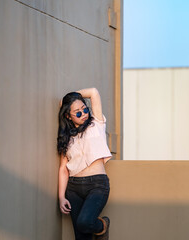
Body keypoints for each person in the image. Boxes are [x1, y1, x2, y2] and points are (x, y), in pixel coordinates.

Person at [57, 88, 112, 240]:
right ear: (68, 116)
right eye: (78, 113)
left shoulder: (96, 124)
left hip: (97, 184)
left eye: (85, 109)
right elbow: (63, 169)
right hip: (73, 188)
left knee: (85, 222)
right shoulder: (66, 138)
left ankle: (103, 226)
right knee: (81, 237)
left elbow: (94, 92)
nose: (84, 114)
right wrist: (61, 197)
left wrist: (72, 97)